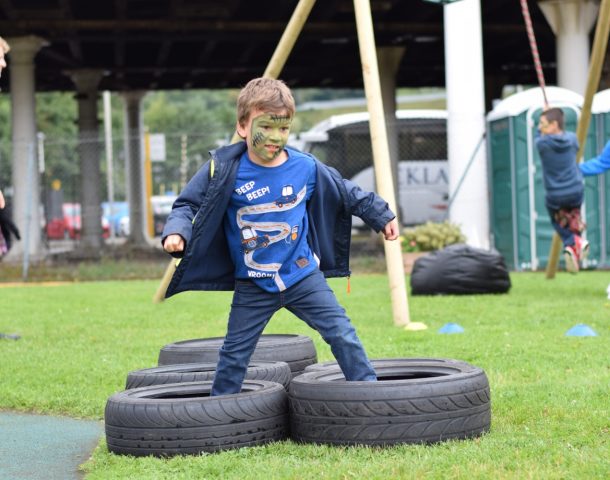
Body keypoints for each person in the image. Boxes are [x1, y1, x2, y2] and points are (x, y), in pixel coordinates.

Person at [162, 77, 399, 396]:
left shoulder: (306, 167)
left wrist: (381, 215)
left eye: (283, 128)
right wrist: (177, 231)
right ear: (243, 127)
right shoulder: (224, 170)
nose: (275, 137)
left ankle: (370, 395)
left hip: (302, 275)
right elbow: (188, 204)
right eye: (266, 127)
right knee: (234, 355)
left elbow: (347, 192)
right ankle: (220, 409)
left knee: (342, 333)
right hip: (253, 283)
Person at [535, 107, 588, 273]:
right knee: (573, 217)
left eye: (543, 124)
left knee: (556, 220)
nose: (539, 126)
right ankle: (577, 242)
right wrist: (548, 116)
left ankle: (571, 241)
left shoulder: (542, 144)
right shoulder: (572, 139)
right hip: (576, 191)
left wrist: (542, 126)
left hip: (555, 195)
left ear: (554, 124)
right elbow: (572, 144)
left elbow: (538, 135)